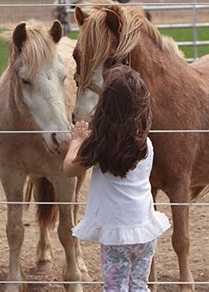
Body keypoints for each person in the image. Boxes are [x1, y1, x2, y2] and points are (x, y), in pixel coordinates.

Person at [63, 65, 170, 291]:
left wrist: (77, 141)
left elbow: (69, 169)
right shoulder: (146, 145)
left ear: (105, 107)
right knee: (139, 286)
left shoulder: (100, 146)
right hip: (145, 231)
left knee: (115, 287)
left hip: (117, 236)